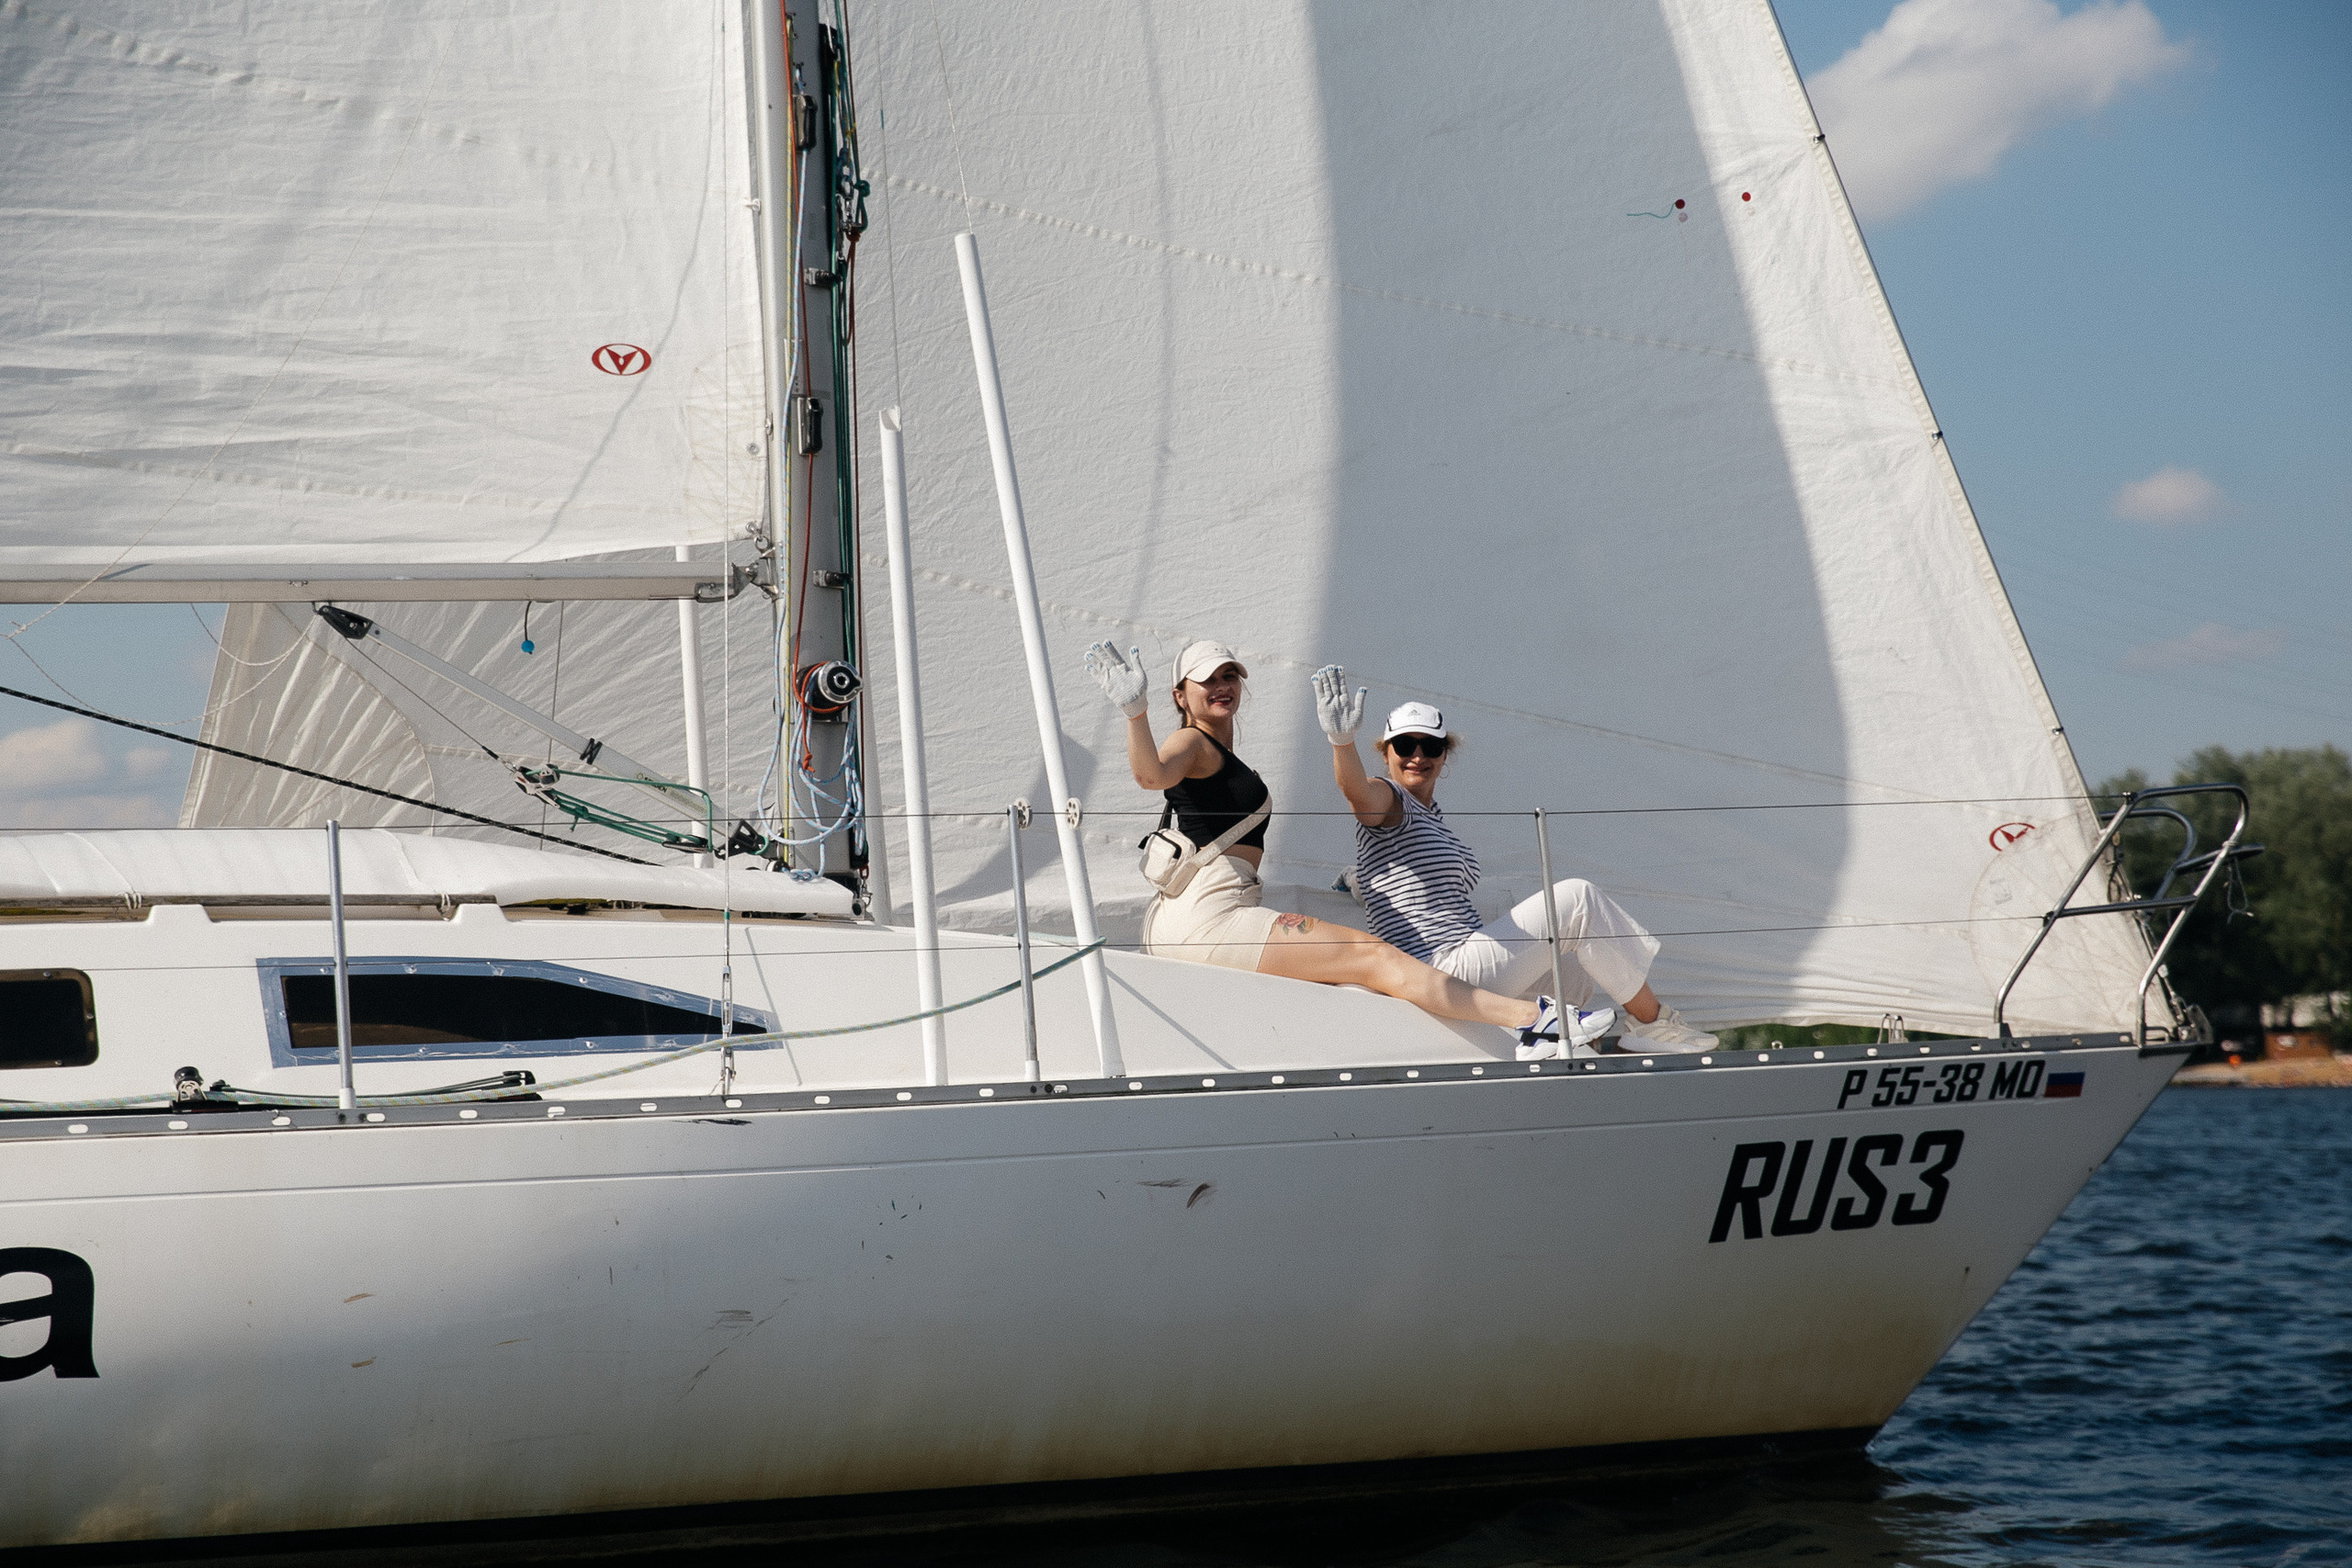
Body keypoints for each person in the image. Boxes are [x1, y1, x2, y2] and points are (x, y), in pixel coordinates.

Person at [1082, 638, 1613, 1056]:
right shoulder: (1191, 741)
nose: (1221, 687)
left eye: (1229, 676)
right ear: (1180, 695)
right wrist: (1134, 712)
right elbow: (1151, 775)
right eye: (1206, 680)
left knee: (1362, 961)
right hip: (1209, 915)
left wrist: (1359, 879)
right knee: (1373, 955)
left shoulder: (1221, 754)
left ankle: (1534, 1023)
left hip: (1200, 913)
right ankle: (1534, 1020)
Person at [1312, 666, 1717, 1052]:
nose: (1418, 755)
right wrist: (1341, 741)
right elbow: (1359, 797)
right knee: (1578, 899)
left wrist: (1362, 879)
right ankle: (1652, 1023)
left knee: (1571, 966)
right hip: (1435, 970)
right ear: (1385, 754)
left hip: (1465, 961)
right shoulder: (1390, 798)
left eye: (1431, 746)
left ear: (1444, 755)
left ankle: (1574, 1053)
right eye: (1405, 746)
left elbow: (1400, 876)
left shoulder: (1430, 818)